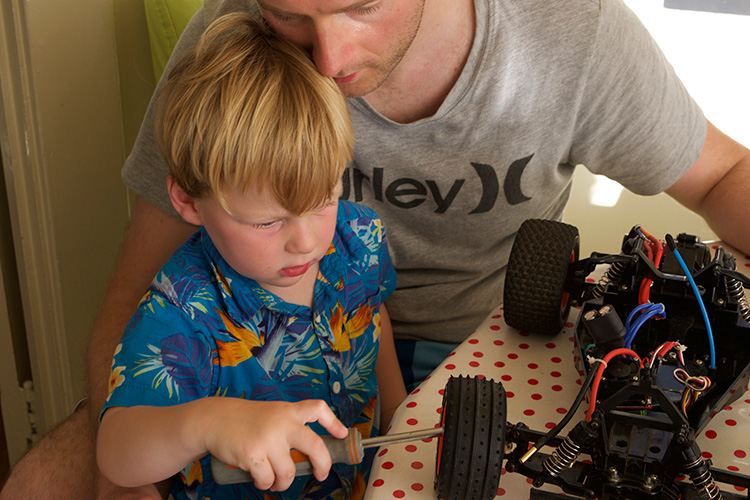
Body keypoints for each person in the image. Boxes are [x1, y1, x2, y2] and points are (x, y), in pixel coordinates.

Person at [2, 0, 750, 499]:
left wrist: (398, 416)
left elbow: (724, 172)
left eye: (360, 2)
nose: (326, 56)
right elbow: (132, 297)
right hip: (226, 367)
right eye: (290, 13)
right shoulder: (228, 48)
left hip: (477, 347)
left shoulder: (571, 31)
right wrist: (150, 465)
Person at [97, 11, 405, 500]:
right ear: (188, 201)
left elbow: (373, 319)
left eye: (323, 199)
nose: (306, 242)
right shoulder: (181, 311)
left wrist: (400, 418)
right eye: (267, 222)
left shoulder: (358, 237)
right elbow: (115, 454)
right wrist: (205, 422)